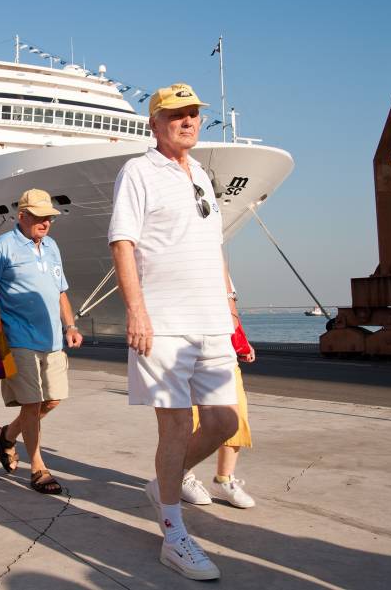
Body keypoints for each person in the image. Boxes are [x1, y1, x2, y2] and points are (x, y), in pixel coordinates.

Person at [108, 82, 254, 581]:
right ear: (155, 123)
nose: (188, 121)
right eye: (176, 114)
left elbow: (214, 244)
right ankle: (173, 532)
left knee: (223, 421)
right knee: (173, 426)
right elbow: (123, 243)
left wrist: (230, 301)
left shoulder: (202, 177)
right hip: (164, 323)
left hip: (211, 321)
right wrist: (137, 311)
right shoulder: (138, 171)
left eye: (193, 113)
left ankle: (162, 483)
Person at [0, 189, 83, 495]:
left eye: (49, 218)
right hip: (18, 337)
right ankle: (38, 467)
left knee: (52, 399)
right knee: (31, 403)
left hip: (53, 336)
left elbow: (60, 291)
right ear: (22, 216)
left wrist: (70, 325)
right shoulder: (3, 246)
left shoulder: (52, 246)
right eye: (39, 217)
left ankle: (7, 434)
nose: (45, 223)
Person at [181, 364, 256, 508]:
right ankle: (183, 477)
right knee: (191, 418)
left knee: (235, 414)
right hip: (186, 355)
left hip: (224, 354)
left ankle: (224, 480)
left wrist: (241, 342)